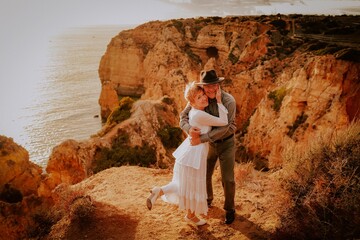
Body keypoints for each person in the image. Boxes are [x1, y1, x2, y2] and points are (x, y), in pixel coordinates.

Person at [146, 82, 228, 226]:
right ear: (192, 102)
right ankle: (190, 216)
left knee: (181, 184)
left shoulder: (194, 111)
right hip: (195, 155)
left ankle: (158, 191)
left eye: (203, 95)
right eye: (199, 97)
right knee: (193, 186)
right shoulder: (200, 114)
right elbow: (223, 121)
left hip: (188, 153)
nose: (203, 98)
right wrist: (220, 101)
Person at [180, 69, 237, 224]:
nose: (211, 89)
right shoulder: (200, 98)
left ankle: (230, 209)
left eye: (214, 85)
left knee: (228, 179)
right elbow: (183, 117)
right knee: (205, 174)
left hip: (227, 143)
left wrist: (202, 138)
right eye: (207, 86)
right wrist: (189, 129)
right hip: (208, 145)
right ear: (203, 87)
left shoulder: (228, 101)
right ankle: (207, 199)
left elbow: (226, 127)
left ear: (218, 84)